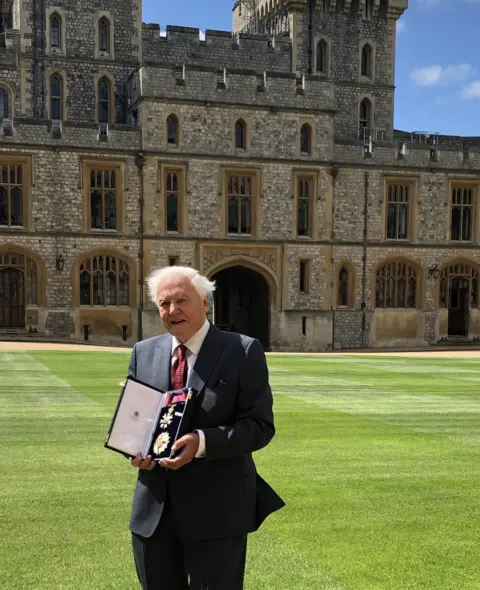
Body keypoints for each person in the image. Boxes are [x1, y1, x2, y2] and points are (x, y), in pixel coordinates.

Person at [127, 265, 285, 590]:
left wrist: (201, 443)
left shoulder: (242, 351)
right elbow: (136, 420)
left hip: (218, 513)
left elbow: (259, 427)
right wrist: (132, 447)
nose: (173, 311)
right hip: (153, 512)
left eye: (181, 301)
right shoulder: (143, 353)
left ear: (204, 301)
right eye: (164, 304)